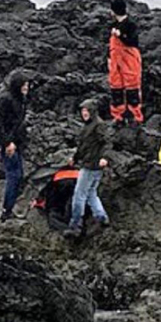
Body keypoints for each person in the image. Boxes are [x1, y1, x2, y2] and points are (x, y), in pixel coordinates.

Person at [64, 99, 111, 238]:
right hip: (90, 163)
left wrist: (105, 158)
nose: (84, 113)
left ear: (92, 111)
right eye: (82, 111)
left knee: (79, 195)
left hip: (92, 165)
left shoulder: (98, 125)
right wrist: (75, 158)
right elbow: (83, 146)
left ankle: (75, 225)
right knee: (91, 193)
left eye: (86, 110)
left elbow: (107, 142)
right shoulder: (89, 125)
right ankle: (102, 218)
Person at [0, 73, 29, 221]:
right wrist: (7, 143)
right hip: (10, 145)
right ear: (17, 86)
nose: (27, 88)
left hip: (17, 142)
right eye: (24, 85)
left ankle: (9, 209)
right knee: (14, 176)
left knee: (18, 175)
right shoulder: (6, 99)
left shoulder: (21, 99)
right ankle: (6, 211)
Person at [108, 0, 143, 126]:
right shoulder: (113, 25)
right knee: (116, 87)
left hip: (129, 58)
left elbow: (133, 41)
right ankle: (118, 116)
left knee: (132, 86)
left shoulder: (130, 25)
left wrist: (120, 35)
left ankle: (135, 116)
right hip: (116, 59)